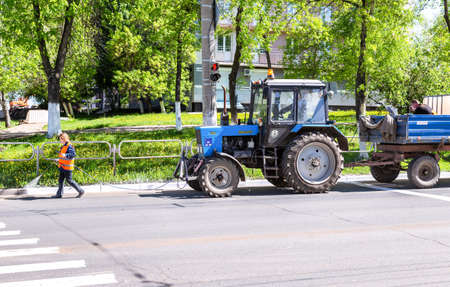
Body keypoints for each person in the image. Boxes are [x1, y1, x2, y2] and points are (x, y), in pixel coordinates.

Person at [54, 133, 84, 198]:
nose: (60, 141)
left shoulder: (69, 146)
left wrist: (66, 155)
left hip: (67, 167)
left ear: (63, 139)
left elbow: (73, 154)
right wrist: (58, 160)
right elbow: (62, 156)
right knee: (60, 180)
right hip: (62, 166)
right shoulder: (64, 146)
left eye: (60, 139)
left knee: (69, 180)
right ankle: (59, 194)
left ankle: (81, 191)